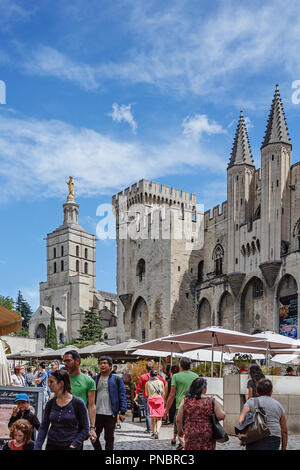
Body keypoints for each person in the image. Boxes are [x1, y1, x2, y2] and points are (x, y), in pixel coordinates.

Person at [34, 369, 89, 450]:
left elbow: (85, 428)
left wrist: (74, 444)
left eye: (51, 382)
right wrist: (37, 447)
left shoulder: (78, 403)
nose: (48, 384)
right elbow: (44, 427)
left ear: (61, 383)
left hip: (70, 445)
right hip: (52, 445)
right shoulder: (50, 403)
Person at [176, 377, 226, 450]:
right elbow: (221, 416)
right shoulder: (211, 401)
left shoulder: (186, 401)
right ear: (204, 388)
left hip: (190, 432)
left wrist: (180, 430)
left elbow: (178, 419)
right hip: (207, 432)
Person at [238, 378, 288, 450]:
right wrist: (284, 448)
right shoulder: (278, 405)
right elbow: (284, 430)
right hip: (273, 438)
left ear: (257, 392)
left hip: (254, 437)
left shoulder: (251, 402)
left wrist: (244, 436)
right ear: (271, 391)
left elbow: (241, 420)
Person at [92, 355, 127, 450]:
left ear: (110, 366)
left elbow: (122, 395)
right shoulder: (94, 379)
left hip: (110, 414)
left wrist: (122, 412)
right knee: (93, 437)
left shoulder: (116, 379)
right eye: (100, 363)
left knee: (109, 438)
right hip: (96, 414)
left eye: (105, 363)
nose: (102, 365)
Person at [63, 350, 97, 444]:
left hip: (78, 424)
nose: (65, 364)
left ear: (77, 361)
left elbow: (91, 405)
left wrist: (92, 428)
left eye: (68, 361)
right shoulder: (61, 378)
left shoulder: (89, 381)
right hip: (61, 423)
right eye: (64, 361)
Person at [164, 357, 198, 450]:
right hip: (194, 405)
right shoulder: (196, 376)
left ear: (180, 365)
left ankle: (184, 445)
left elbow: (172, 394)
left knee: (179, 428)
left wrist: (166, 409)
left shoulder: (176, 376)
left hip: (180, 406)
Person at [134, 361, 167, 435]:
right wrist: (164, 396)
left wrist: (136, 397)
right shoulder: (158, 378)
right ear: (153, 368)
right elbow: (165, 383)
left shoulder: (143, 377)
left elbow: (138, 388)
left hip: (148, 398)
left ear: (146, 368)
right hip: (158, 398)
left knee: (149, 414)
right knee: (158, 416)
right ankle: (156, 431)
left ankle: (150, 430)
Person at [145, 370, 166, 439]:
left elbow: (146, 394)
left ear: (150, 375)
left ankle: (153, 433)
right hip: (159, 400)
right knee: (159, 418)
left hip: (151, 400)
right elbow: (163, 393)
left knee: (152, 418)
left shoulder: (147, 383)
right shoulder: (161, 382)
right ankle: (157, 431)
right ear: (157, 375)